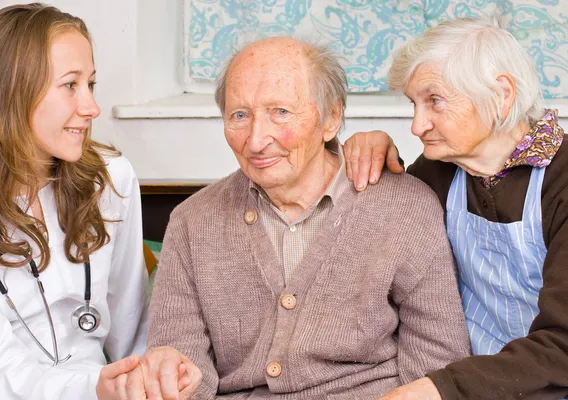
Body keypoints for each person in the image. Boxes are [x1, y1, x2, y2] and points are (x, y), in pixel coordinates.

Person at [141, 36, 470, 398]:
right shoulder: (192, 221)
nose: (255, 140)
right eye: (239, 115)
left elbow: (435, 364)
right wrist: (173, 383)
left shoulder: (405, 207)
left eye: (280, 112)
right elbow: (180, 368)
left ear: (330, 118)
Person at [0, 4, 199, 399]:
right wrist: (94, 388)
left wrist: (154, 376)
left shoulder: (111, 178)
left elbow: (135, 325)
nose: (91, 107)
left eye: (91, 84)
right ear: (10, 91)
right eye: (70, 85)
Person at [343, 17, 568, 400]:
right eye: (414, 104)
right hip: (467, 377)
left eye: (434, 101)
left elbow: (564, 345)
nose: (416, 126)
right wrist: (370, 147)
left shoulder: (562, 180)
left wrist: (439, 390)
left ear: (501, 94)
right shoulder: (439, 171)